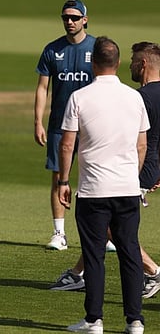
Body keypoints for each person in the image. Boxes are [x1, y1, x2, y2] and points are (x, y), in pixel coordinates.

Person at [51, 41, 160, 300]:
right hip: (151, 168)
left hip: (133, 170)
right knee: (105, 225)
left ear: (143, 64)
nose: (131, 65)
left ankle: (153, 271)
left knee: (110, 226)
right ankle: (78, 274)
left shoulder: (141, 97)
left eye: (134, 61)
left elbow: (136, 142)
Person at [35, 0, 105, 251]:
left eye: (75, 17)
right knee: (58, 177)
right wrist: (38, 122)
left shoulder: (97, 47)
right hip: (60, 125)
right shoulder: (52, 49)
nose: (70, 21)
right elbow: (43, 88)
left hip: (92, 124)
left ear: (85, 19)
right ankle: (58, 233)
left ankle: (104, 234)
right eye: (66, 17)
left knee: (96, 175)